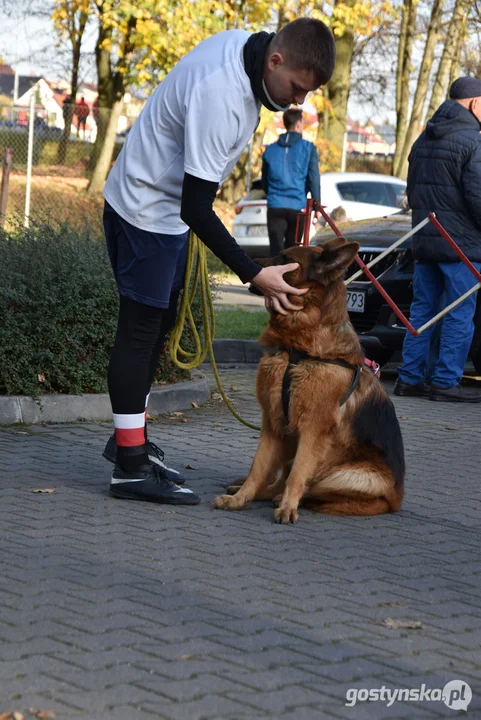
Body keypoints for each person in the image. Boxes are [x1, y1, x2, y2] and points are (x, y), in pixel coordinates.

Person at [101, 18, 336, 504]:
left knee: (161, 325)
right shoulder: (223, 95)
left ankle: (131, 443)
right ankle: (128, 467)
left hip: (161, 212)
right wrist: (254, 275)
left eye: (307, 93)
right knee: (140, 332)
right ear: (275, 60)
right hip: (147, 209)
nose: (299, 101)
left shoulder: (246, 50)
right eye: (296, 87)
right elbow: (196, 207)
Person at [394, 76, 481, 403]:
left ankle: (409, 378)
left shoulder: (423, 139)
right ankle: (445, 381)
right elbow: (478, 197)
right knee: (459, 314)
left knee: (422, 311)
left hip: (426, 242)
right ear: (474, 104)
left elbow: (412, 192)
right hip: (462, 246)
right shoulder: (471, 140)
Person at [262, 108, 321, 256]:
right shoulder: (308, 148)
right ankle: (289, 279)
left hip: (275, 205)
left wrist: (272, 194)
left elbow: (265, 180)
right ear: (299, 124)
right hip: (297, 206)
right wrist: (316, 203)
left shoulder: (270, 149)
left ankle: (273, 278)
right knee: (292, 253)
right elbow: (313, 177)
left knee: (276, 252)